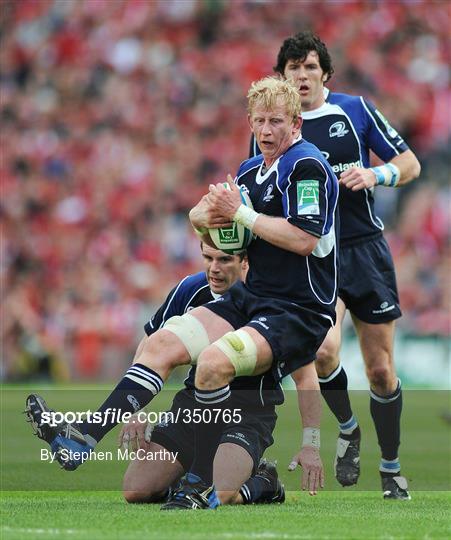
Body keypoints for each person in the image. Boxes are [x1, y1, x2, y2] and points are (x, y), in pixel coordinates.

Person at [25, 76, 339, 509]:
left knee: (212, 364)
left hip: (296, 310)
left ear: (296, 123)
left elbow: (305, 238)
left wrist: (241, 213)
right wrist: (205, 211)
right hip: (254, 299)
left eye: (277, 122)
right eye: (260, 121)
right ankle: (83, 437)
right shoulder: (251, 171)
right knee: (160, 345)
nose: (267, 131)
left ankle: (197, 484)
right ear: (249, 121)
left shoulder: (307, 166)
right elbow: (211, 225)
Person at [250, 31, 421, 500]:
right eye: (292, 69)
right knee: (325, 352)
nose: (301, 76)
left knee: (381, 370)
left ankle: (391, 466)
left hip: (364, 249)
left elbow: (409, 163)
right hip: (316, 255)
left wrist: (375, 173)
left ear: (324, 72)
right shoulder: (272, 127)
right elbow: (260, 194)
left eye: (309, 67)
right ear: (281, 77)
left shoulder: (355, 110)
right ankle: (347, 428)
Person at [120, 242, 286, 506]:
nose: (214, 268)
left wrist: (312, 440)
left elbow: (306, 371)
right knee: (136, 491)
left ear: (244, 261)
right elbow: (151, 343)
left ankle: (265, 482)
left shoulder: (271, 296)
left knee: (220, 494)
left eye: (224, 260)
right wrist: (135, 407)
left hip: (247, 413)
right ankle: (182, 479)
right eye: (208, 258)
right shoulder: (191, 288)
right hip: (193, 407)